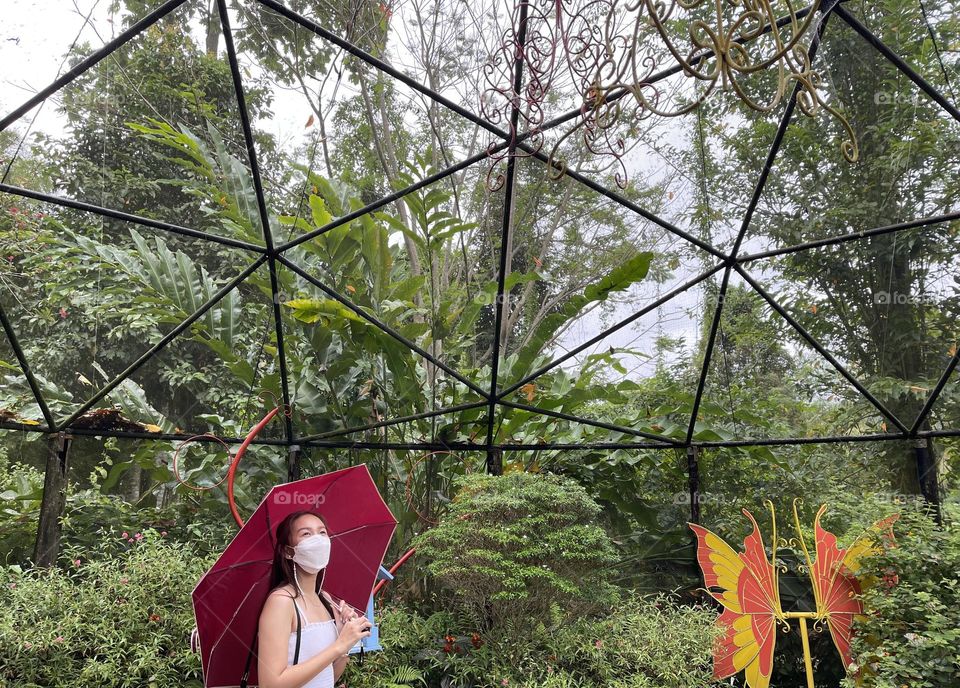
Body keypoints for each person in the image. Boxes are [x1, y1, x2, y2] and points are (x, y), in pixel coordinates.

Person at [256, 509, 372, 688]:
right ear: (288, 551)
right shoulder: (282, 601)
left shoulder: (325, 599)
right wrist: (338, 646)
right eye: (306, 534)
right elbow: (271, 683)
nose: (317, 539)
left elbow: (328, 677)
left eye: (322, 532)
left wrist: (345, 641)